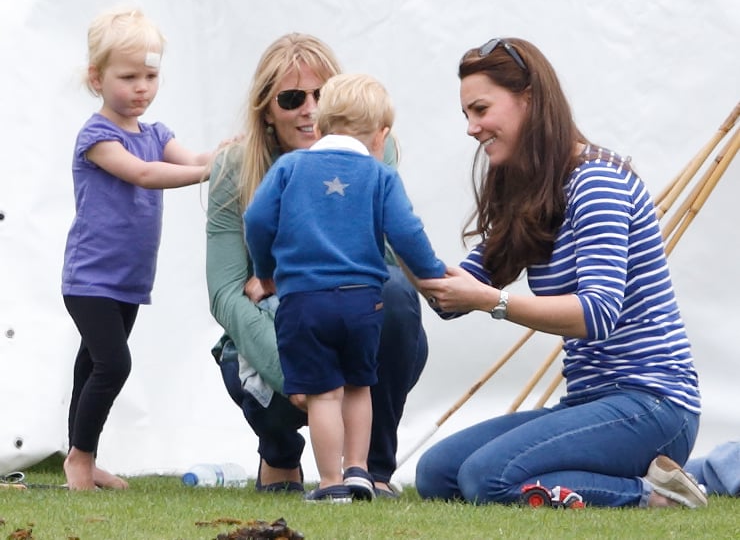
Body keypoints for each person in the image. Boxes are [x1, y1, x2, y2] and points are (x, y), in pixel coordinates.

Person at [412, 37, 707, 508]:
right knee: (436, 474)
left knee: (486, 480)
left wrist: (492, 302)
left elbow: (596, 314)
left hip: (652, 405)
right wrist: (384, 230)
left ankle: (650, 494)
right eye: (466, 115)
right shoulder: (533, 191)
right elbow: (456, 291)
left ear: (528, 98)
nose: (471, 128)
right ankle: (658, 479)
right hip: (590, 403)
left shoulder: (597, 181)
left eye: (481, 109)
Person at [206, 33, 431, 499]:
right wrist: (294, 374)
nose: (309, 109)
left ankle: (369, 469)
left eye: (321, 95)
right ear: (266, 110)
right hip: (272, 321)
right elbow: (226, 292)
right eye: (292, 98)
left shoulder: (374, 152)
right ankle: (280, 449)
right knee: (292, 355)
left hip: (344, 311)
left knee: (393, 300)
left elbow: (392, 260)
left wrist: (434, 279)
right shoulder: (235, 164)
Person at [61, 7, 212, 490]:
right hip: (90, 279)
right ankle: (79, 461)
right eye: (128, 77)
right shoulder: (97, 137)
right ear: (96, 78)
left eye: (150, 75)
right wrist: (207, 172)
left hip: (128, 281)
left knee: (91, 366)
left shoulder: (157, 134)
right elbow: (146, 175)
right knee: (113, 364)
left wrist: (236, 150)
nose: (142, 87)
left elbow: (194, 159)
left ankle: (82, 459)